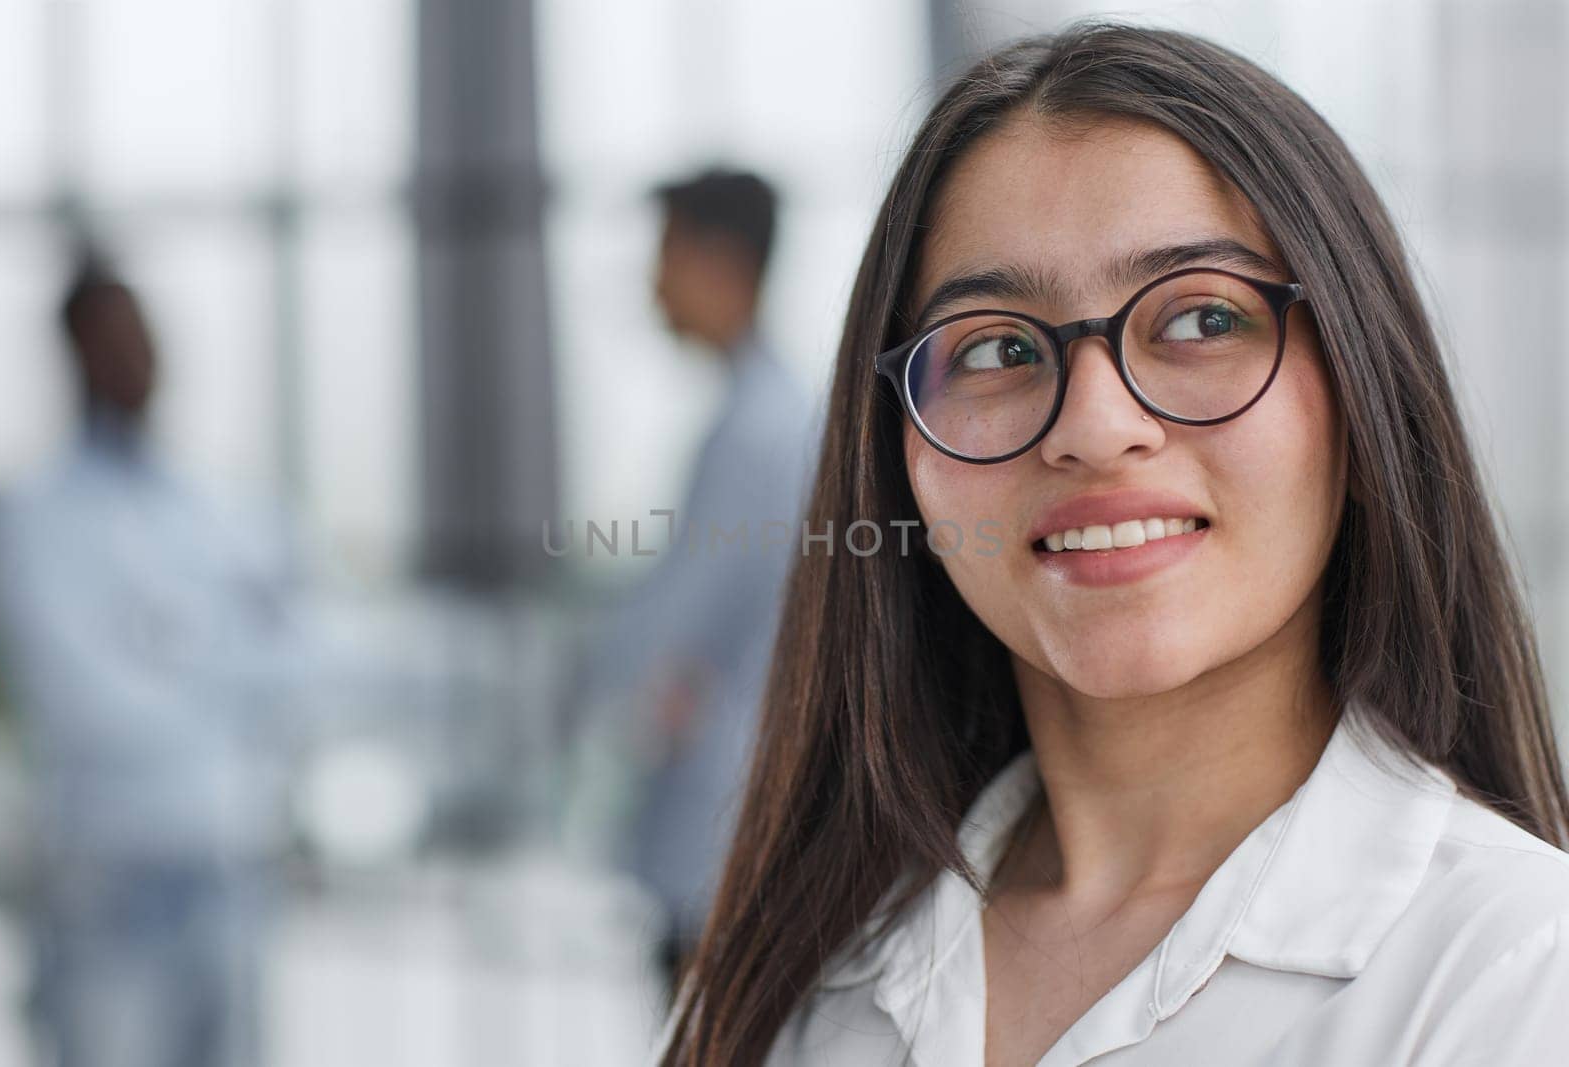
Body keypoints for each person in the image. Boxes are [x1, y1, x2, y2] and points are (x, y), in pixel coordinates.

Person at [655, 22, 1569, 1067]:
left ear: (1363, 386)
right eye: (997, 347)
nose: (1092, 427)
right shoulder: (798, 981)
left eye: (1200, 321)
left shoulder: (1514, 969)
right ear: (897, 455)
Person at [0, 252, 304, 1067]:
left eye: (143, 334)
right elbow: (79, 698)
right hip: (107, 875)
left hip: (228, 863)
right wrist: (217, 673)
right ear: (76, 355)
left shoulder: (218, 506)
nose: (136, 356)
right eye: (112, 338)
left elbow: (292, 660)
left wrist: (173, 654)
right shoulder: (36, 515)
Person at [585, 167, 817, 998]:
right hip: (736, 816)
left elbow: (671, 629)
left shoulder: (757, 432)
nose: (652, 281)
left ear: (721, 262)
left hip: (727, 828)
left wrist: (599, 673)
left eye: (666, 252)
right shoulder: (772, 416)